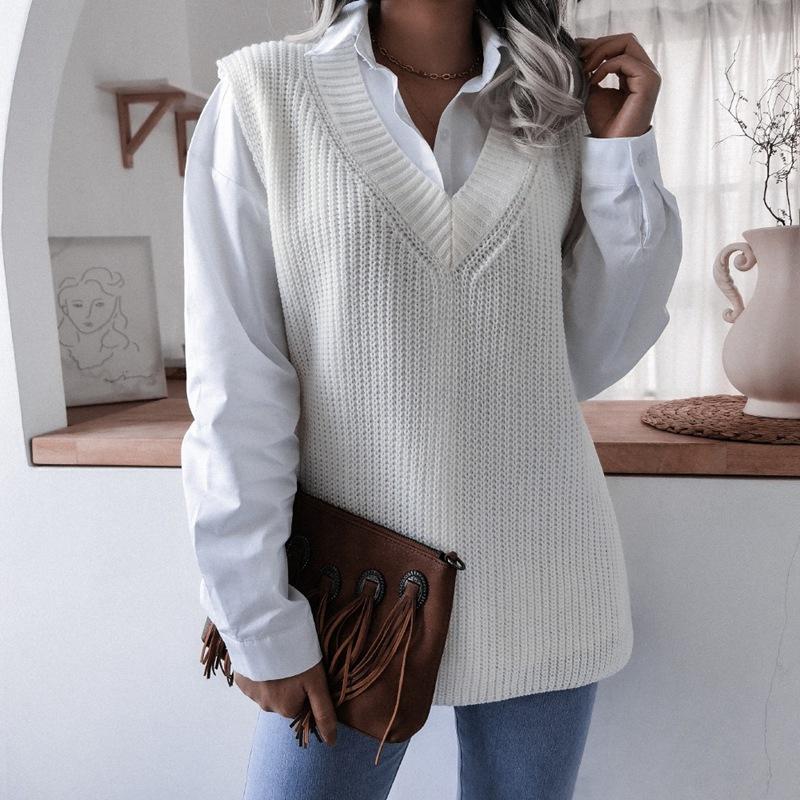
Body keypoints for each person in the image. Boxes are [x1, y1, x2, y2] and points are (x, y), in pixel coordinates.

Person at [181, 0, 682, 797]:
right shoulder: (263, 96)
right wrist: (255, 617)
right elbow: (236, 384)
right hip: (352, 597)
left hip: (546, 573)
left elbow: (585, 356)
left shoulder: (553, 105)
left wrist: (621, 153)